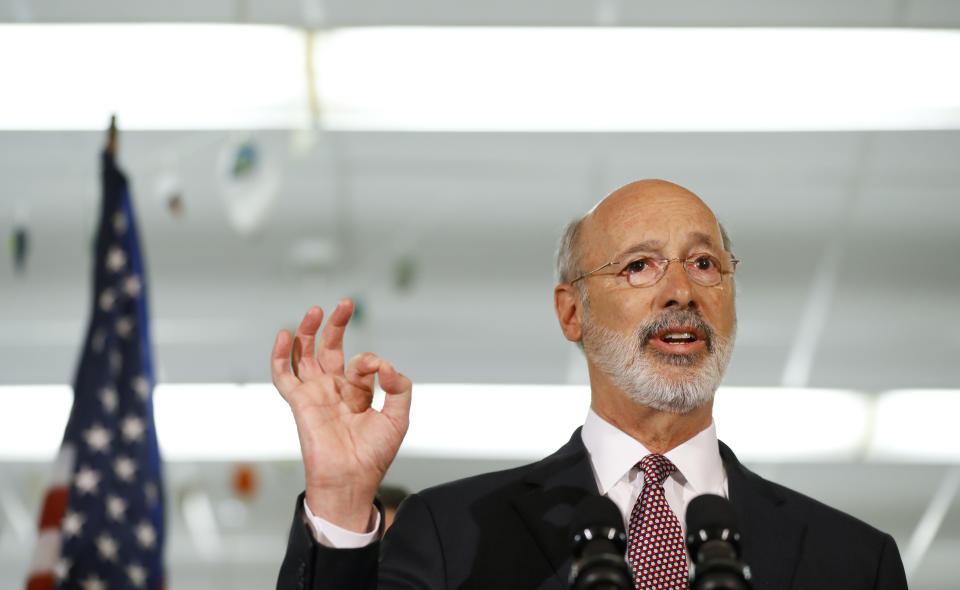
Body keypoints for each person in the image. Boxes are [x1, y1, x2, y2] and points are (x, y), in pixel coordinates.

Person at [272, 180, 908, 589]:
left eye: (704, 263)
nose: (681, 291)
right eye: (639, 266)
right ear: (570, 312)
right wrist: (338, 502)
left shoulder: (852, 562)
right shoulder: (451, 534)